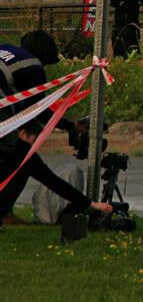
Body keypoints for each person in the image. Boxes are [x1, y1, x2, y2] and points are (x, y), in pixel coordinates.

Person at [0, 31, 112, 226]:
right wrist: (69, 125)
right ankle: (4, 214)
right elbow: (38, 111)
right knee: (22, 160)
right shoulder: (32, 65)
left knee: (10, 158)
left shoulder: (6, 50)